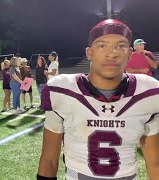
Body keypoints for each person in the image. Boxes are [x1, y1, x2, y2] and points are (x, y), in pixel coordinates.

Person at [38, 19, 159, 180]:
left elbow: (155, 162)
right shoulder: (61, 90)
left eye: (121, 45)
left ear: (130, 53)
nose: (112, 53)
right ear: (89, 53)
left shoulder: (149, 92)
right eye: (102, 45)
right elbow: (49, 160)